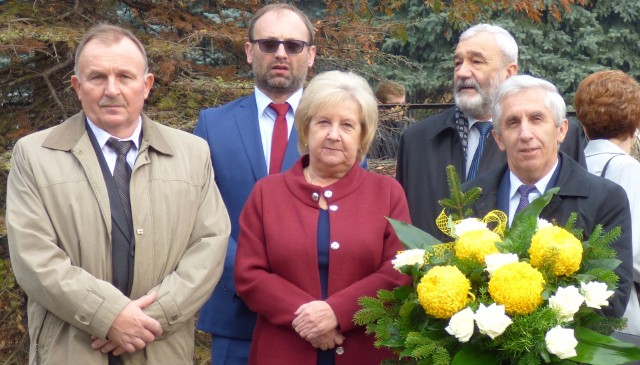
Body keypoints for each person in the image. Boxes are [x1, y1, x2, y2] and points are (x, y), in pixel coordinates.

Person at [6, 24, 230, 365]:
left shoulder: (192, 154)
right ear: (77, 87)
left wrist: (146, 321)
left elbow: (210, 246)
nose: (112, 90)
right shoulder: (35, 155)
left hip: (160, 350)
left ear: (147, 85)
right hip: (72, 349)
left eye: (125, 76)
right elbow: (34, 259)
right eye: (97, 78)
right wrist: (109, 316)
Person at [234, 70, 411, 365]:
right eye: (323, 122)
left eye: (347, 125)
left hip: (367, 350)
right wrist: (310, 319)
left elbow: (398, 272)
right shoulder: (267, 192)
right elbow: (249, 275)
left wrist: (336, 313)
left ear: (362, 135)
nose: (333, 134)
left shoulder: (388, 193)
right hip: (284, 350)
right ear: (305, 129)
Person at [193, 4, 316, 364]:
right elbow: (203, 217)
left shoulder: (336, 129)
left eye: (293, 45)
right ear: (249, 52)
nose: (280, 53)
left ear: (310, 56)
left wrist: (297, 299)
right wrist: (255, 283)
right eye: (268, 44)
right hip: (236, 316)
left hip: (310, 317)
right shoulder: (213, 125)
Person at [396, 24, 586, 241]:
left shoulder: (558, 136)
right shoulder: (417, 140)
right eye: (457, 62)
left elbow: (580, 213)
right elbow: (403, 231)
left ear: (509, 73)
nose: (462, 72)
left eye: (476, 61)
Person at [463, 74, 632, 318]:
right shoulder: (469, 198)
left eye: (536, 119)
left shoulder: (604, 199)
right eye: (512, 122)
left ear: (561, 130)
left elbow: (611, 301)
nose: (525, 134)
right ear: (498, 138)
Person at [574, 70, 640, 335]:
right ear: (635, 125)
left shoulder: (572, 168)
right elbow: (635, 252)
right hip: (622, 320)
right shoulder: (630, 170)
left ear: (583, 123)